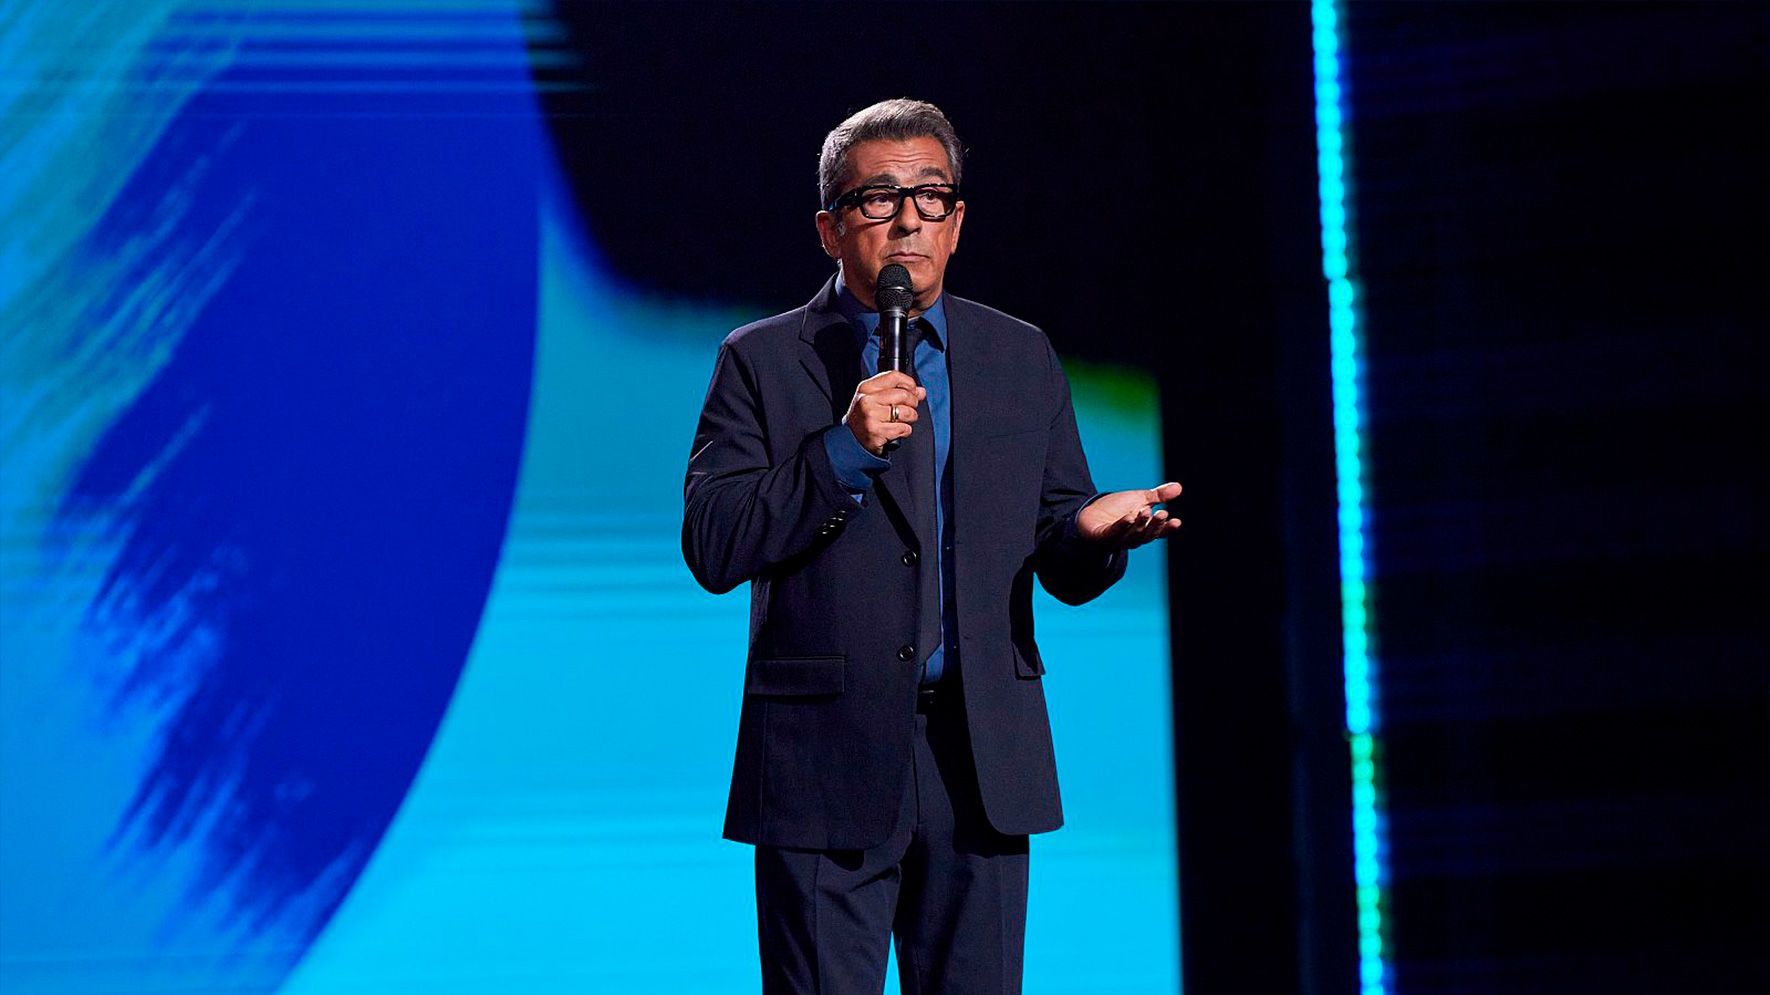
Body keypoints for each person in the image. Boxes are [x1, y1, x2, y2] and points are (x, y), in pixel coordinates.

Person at [682, 98, 1181, 994]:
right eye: (879, 198)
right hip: (824, 761)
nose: (908, 219)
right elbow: (715, 543)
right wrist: (840, 451)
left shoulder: (1020, 357)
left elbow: (1058, 546)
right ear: (830, 229)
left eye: (931, 196)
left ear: (957, 222)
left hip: (981, 759)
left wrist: (1090, 533)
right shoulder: (760, 359)